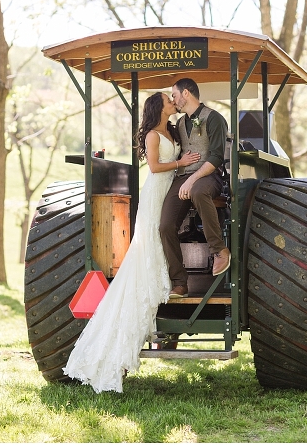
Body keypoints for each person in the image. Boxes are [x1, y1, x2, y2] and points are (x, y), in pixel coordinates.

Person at [63, 92, 200, 393]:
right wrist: (181, 162)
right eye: (167, 98)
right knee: (151, 235)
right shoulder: (153, 134)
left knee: (163, 234)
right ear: (158, 107)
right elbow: (153, 167)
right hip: (157, 189)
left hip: (171, 189)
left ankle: (166, 276)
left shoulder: (173, 128)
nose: (172, 100)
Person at [160, 77, 230, 299]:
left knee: (199, 191)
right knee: (165, 225)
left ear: (186, 93)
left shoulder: (215, 118)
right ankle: (180, 282)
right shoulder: (180, 123)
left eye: (174, 95)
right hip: (183, 177)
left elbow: (217, 156)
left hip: (209, 176)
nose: (174, 99)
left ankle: (219, 250)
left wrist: (192, 180)